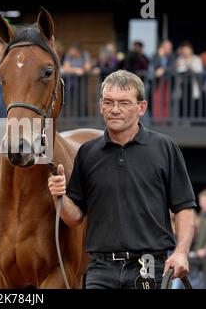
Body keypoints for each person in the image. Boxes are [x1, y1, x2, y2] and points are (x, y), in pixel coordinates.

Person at [48, 69, 196, 289]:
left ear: (141, 108)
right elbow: (75, 217)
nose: (114, 109)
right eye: (108, 102)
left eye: (124, 103)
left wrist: (182, 252)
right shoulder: (88, 153)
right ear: (100, 106)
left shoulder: (165, 148)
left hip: (150, 267)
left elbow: (184, 207)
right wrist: (58, 196)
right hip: (99, 269)